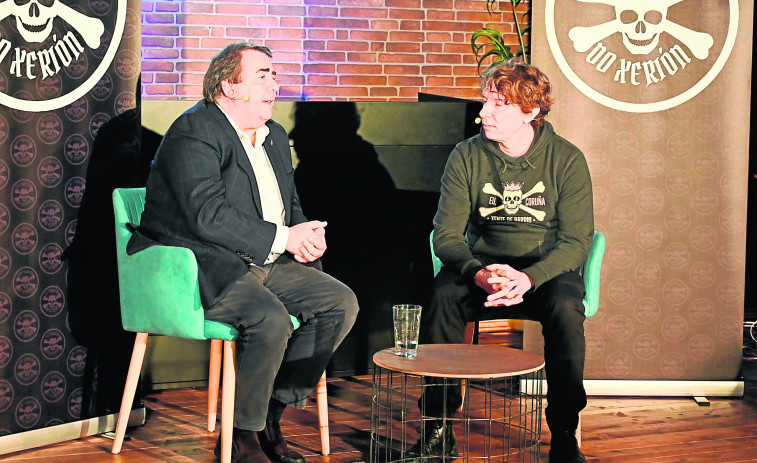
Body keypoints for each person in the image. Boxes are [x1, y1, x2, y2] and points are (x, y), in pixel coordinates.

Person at [127, 42, 359, 463]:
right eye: (262, 75)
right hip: (203, 261)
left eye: (274, 74)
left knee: (339, 302)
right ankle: (240, 438)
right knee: (268, 319)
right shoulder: (195, 131)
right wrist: (283, 237)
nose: (275, 83)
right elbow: (207, 216)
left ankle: (269, 413)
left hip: (261, 258)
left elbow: (288, 206)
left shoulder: (274, 136)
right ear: (229, 87)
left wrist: (304, 235)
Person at [415, 58, 593, 463]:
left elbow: (577, 241)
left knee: (566, 310)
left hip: (544, 273)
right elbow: (445, 234)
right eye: (485, 102)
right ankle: (437, 428)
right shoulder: (466, 156)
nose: (483, 114)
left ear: (530, 112)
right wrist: (477, 273)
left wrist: (529, 279)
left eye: (499, 106)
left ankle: (564, 432)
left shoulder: (567, 159)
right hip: (483, 270)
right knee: (443, 297)